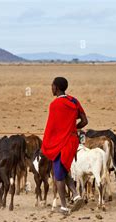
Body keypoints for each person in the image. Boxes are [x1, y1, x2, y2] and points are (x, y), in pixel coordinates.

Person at [41, 77, 88, 214]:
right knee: (64, 168)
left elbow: (51, 128)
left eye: (52, 86)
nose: (51, 88)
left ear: (56, 87)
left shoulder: (54, 105)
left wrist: (47, 142)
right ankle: (76, 195)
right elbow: (85, 121)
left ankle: (63, 206)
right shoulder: (73, 101)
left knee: (58, 175)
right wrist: (73, 128)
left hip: (60, 143)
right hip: (72, 142)